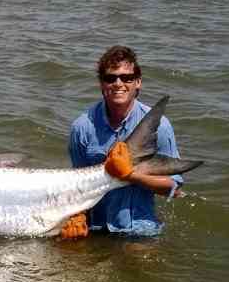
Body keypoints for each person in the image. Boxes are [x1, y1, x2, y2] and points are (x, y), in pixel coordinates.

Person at [62, 45, 182, 239]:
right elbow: (78, 186)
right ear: (101, 84)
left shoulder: (161, 127)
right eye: (111, 78)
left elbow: (174, 188)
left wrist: (130, 175)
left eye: (127, 78)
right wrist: (77, 217)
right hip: (96, 229)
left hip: (141, 228)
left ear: (138, 82)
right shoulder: (82, 127)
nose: (118, 83)